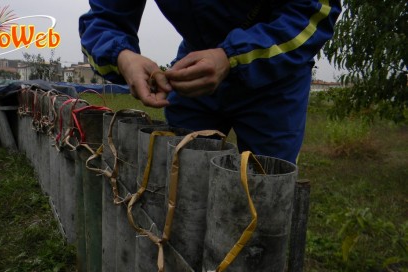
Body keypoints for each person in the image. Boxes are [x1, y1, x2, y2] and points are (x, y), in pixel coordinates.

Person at [79, 1, 341, 163]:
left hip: (274, 70)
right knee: (179, 175)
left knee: (267, 187)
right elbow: (102, 20)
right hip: (194, 68)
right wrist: (123, 58)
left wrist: (232, 57)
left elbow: (316, 9)